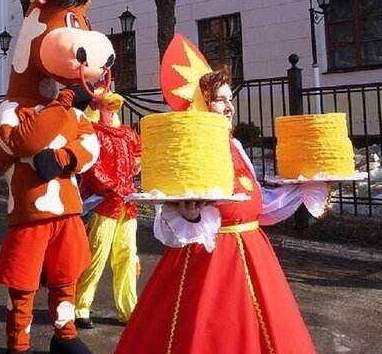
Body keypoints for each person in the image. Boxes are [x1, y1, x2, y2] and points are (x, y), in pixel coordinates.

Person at [115, 59, 330, 354]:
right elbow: (168, 222)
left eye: (231, 99)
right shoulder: (193, 152)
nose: (230, 107)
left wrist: (307, 186)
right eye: (220, 100)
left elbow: (257, 206)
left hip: (255, 256)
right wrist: (189, 217)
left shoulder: (236, 147)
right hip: (208, 262)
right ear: (201, 106)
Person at [75, 92, 141, 329]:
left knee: (127, 256)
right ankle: (80, 306)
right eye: (107, 107)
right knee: (96, 255)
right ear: (98, 108)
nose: (112, 111)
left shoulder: (126, 133)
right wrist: (111, 187)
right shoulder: (92, 133)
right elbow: (90, 166)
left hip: (127, 205)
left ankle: (128, 308)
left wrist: (138, 164)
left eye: (115, 107)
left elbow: (139, 154)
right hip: (104, 204)